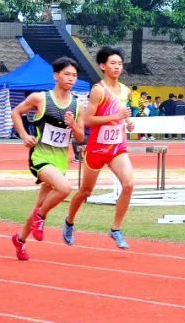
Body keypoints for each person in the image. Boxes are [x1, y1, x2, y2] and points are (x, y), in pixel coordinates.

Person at [9, 57, 86, 261]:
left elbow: (80, 138)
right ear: (56, 75)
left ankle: (20, 239)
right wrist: (24, 135)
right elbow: (16, 112)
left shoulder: (78, 105)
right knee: (65, 188)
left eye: (74, 75)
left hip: (60, 160)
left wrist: (73, 125)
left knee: (40, 204)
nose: (71, 79)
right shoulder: (40, 98)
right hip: (40, 156)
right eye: (67, 74)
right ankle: (40, 217)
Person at [62, 46, 136, 249]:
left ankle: (115, 229)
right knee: (85, 191)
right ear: (103, 66)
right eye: (112, 63)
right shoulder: (98, 90)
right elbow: (87, 120)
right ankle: (69, 221)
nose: (117, 67)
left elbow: (122, 115)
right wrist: (116, 117)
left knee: (129, 185)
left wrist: (128, 122)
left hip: (117, 147)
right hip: (97, 149)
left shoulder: (125, 90)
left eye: (120, 64)